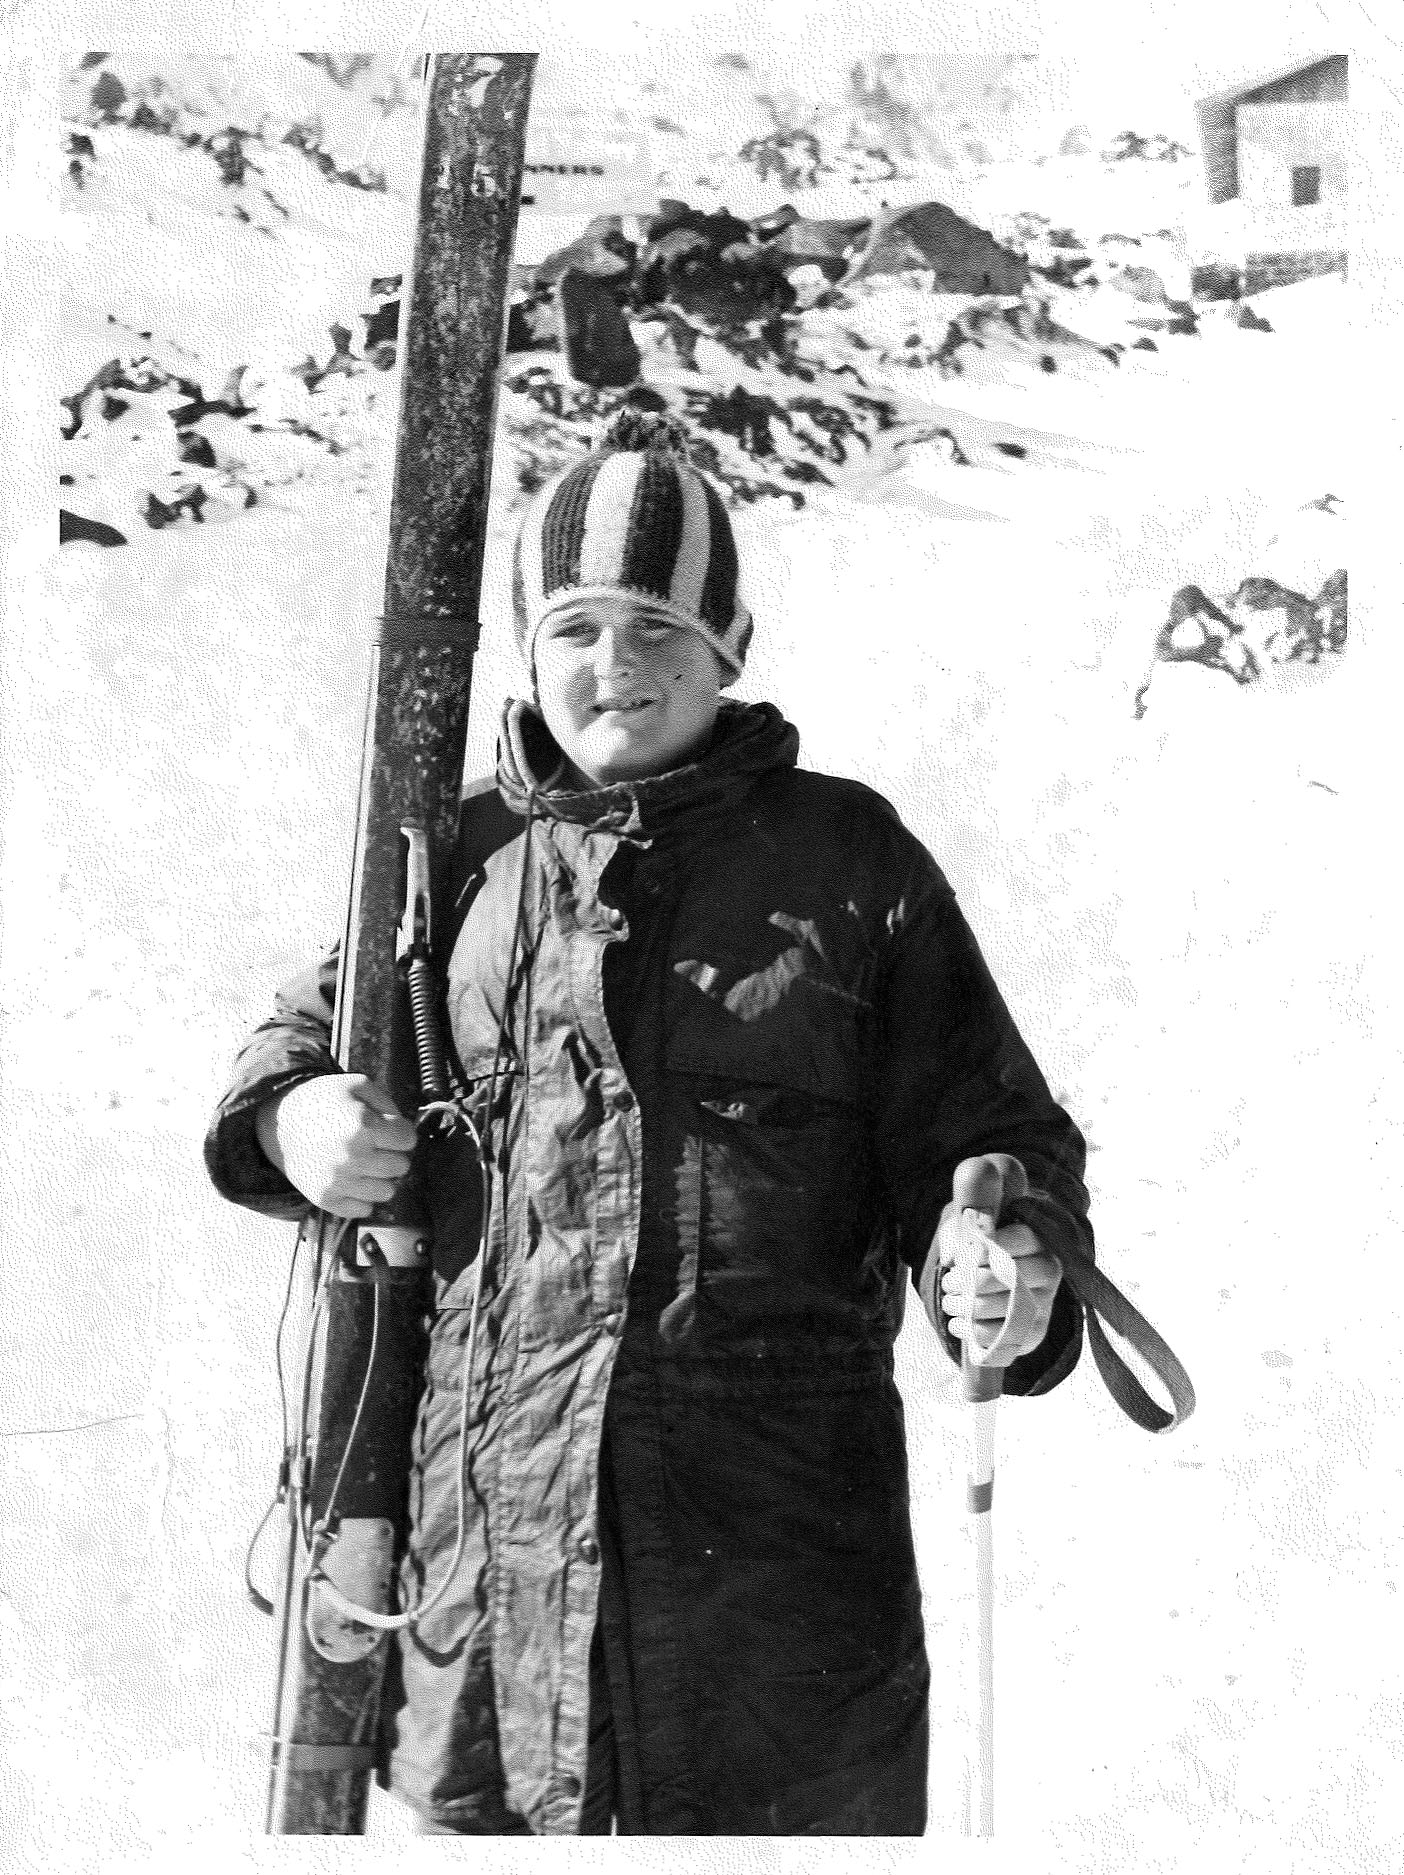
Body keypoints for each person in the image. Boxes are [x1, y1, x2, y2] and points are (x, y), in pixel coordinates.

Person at [206, 410, 1092, 1836]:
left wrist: (1005, 1260)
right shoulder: (459, 860)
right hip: (485, 1586)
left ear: (727, 647)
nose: (614, 665)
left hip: (772, 1590)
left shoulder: (847, 859)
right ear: (528, 651)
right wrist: (296, 1118)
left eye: (657, 625)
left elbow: (991, 1136)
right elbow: (296, 1046)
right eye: (575, 628)